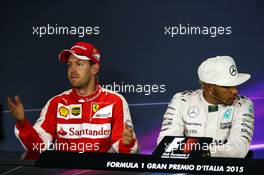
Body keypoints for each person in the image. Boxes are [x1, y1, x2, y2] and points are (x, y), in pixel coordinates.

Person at [7, 41, 139, 153]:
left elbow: (124, 152)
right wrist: (22, 123)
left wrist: (128, 144)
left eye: (79, 64)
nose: (72, 69)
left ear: (94, 69)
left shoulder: (114, 101)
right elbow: (38, 147)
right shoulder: (56, 103)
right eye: (69, 64)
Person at [157, 56, 254, 158]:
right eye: (227, 87)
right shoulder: (182, 101)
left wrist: (204, 152)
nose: (235, 91)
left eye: (235, 85)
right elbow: (165, 144)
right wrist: (203, 151)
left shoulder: (243, 105)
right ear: (209, 88)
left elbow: (238, 149)